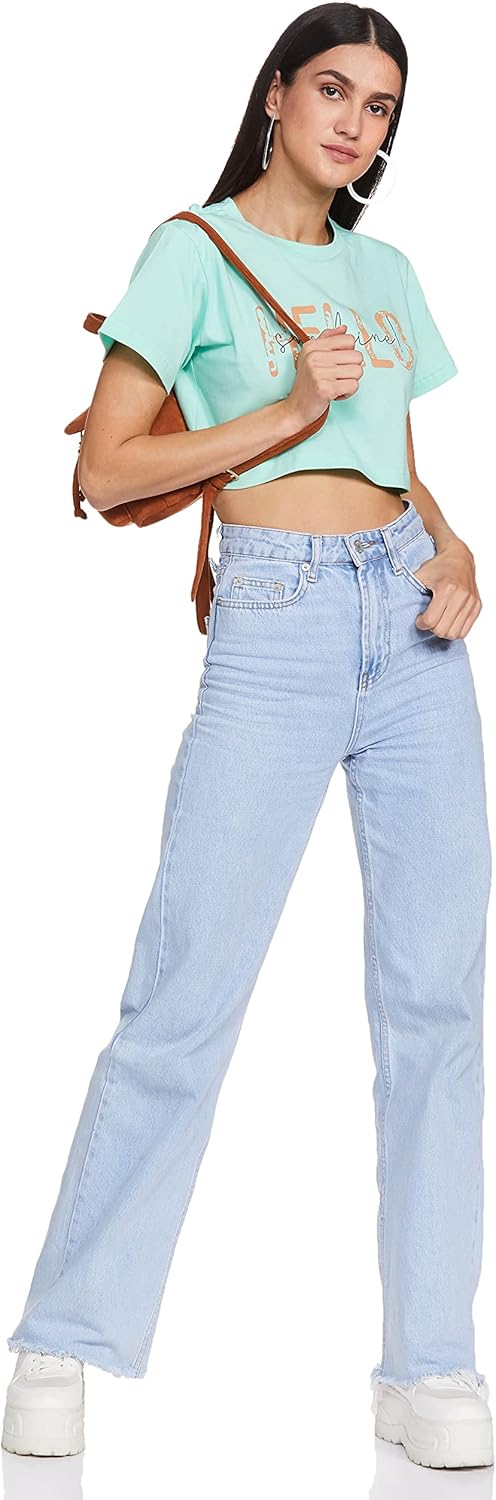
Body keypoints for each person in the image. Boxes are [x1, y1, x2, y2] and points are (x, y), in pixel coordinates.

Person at [3, 2, 493, 1471]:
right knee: (186, 991)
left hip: (412, 629)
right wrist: (281, 411)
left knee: (437, 1006)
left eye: (381, 107)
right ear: (277, 95)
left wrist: (455, 549)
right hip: (276, 622)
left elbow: (394, 455)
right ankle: (61, 1336)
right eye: (333, 89)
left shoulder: (386, 269)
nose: (356, 124)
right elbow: (107, 467)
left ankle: (431, 1361)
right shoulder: (193, 251)